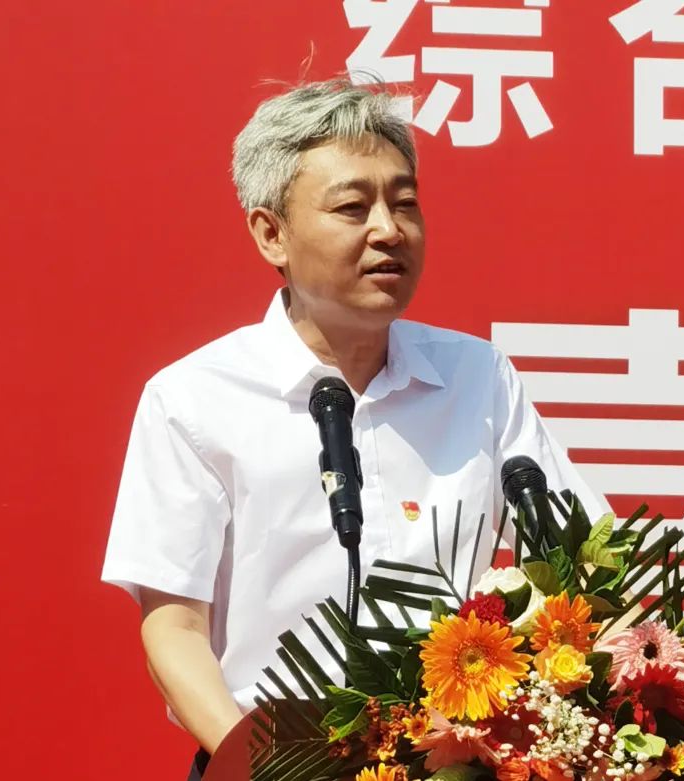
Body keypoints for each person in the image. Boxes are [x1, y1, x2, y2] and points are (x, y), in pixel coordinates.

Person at [100, 79, 608, 780]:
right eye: (351, 207)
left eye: (405, 203)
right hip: (276, 763)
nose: (388, 230)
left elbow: (586, 558)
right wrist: (255, 763)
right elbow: (175, 626)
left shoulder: (478, 376)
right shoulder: (195, 399)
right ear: (271, 234)